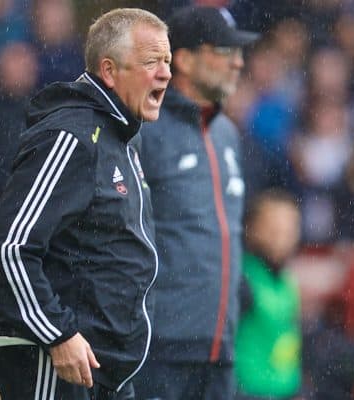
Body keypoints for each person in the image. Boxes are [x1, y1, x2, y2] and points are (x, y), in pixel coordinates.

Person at [0, 8, 171, 400]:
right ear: (109, 71)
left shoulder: (122, 142)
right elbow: (12, 244)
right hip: (55, 359)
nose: (166, 73)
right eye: (152, 61)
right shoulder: (71, 136)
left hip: (102, 367)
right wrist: (57, 334)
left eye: (167, 62)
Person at [132, 6, 259, 399]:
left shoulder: (227, 135)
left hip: (221, 346)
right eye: (225, 51)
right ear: (183, 59)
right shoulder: (143, 129)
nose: (238, 63)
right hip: (161, 348)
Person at [235, 189, 302, 400]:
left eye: (290, 229)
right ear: (252, 229)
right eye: (274, 229)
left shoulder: (286, 280)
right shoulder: (242, 279)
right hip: (250, 392)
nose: (283, 238)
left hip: (285, 390)